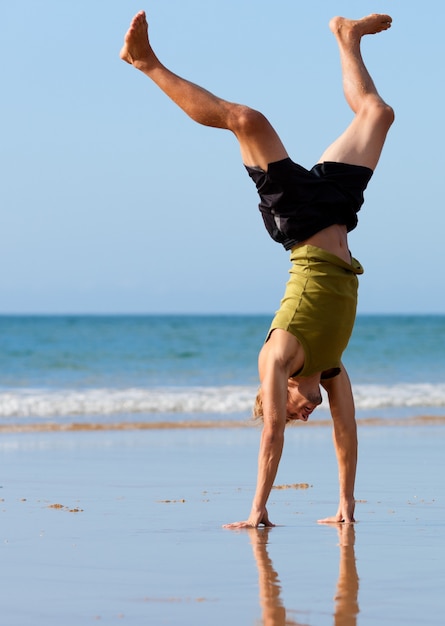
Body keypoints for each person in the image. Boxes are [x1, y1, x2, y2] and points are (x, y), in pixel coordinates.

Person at [120, 10, 394, 528]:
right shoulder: (331, 368)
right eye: (300, 413)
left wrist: (257, 509)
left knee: (247, 120)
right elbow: (348, 432)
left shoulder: (278, 357)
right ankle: (346, 36)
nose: (300, 413)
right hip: (336, 214)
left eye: (291, 409)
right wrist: (346, 504)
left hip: (300, 224)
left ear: (280, 394)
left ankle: (145, 62)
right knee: (378, 114)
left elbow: (270, 435)